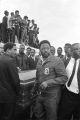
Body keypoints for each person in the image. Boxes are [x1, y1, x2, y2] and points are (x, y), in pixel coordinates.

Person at [32, 40, 67, 120]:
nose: (45, 50)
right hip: (40, 94)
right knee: (38, 114)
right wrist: (34, 89)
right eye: (43, 48)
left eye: (47, 48)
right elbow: (38, 77)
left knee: (51, 116)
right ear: (40, 50)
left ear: (50, 48)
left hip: (52, 96)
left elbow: (64, 78)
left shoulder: (57, 60)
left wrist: (48, 83)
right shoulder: (39, 61)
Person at [58, 43, 80, 120]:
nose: (79, 50)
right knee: (64, 116)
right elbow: (60, 75)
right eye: (76, 49)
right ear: (71, 51)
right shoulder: (65, 61)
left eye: (79, 48)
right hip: (68, 94)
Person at [0, 42, 20, 120]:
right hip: (8, 97)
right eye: (14, 50)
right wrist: (18, 92)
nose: (16, 52)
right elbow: (15, 81)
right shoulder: (10, 61)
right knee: (7, 116)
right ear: (8, 50)